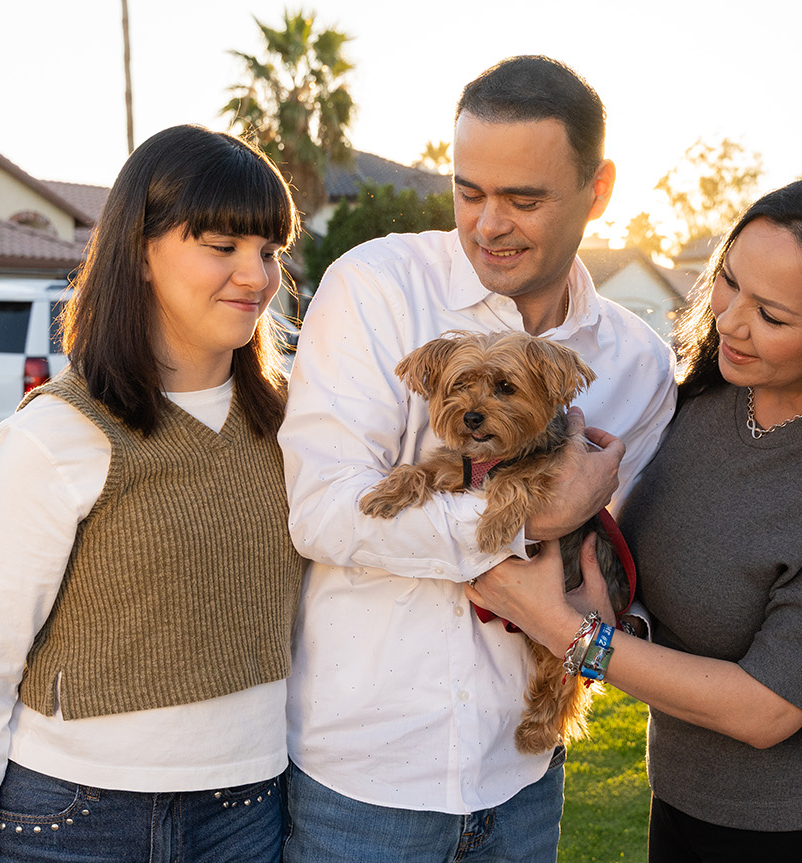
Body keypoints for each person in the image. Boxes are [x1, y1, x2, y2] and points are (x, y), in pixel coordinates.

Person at [468, 174, 802, 862]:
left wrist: (565, 629)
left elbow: (764, 712)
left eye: (772, 315)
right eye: (728, 281)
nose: (728, 320)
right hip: (683, 804)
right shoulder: (698, 404)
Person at [278, 55, 677, 861]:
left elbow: (622, 566)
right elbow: (322, 510)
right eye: (468, 192)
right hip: (364, 783)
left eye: (523, 199)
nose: (488, 224)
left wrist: (599, 622)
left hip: (525, 779)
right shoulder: (374, 288)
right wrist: (537, 515)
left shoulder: (637, 362)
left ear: (597, 191)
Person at [0, 124, 305, 862]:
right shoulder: (59, 434)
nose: (255, 276)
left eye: (268, 250)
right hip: (76, 818)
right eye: (221, 247)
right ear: (138, 252)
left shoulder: (296, 422)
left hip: (249, 811)